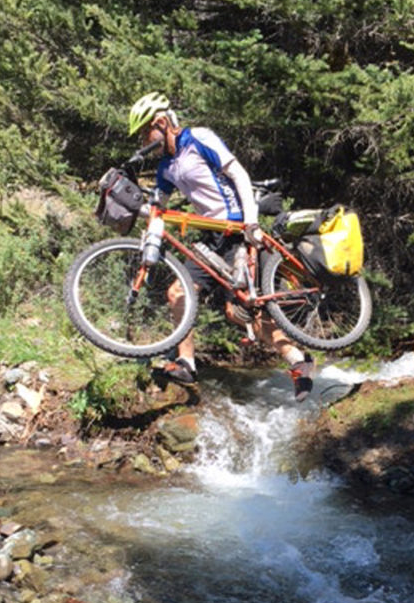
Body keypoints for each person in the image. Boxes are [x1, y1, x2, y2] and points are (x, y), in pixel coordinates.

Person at [128, 91, 315, 401]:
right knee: (177, 293)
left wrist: (251, 223)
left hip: (237, 229)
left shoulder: (198, 138)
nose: (142, 142)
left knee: (243, 312)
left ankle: (298, 361)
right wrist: (129, 201)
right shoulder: (165, 167)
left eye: (144, 133)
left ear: (160, 122)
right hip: (209, 236)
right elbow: (156, 207)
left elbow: (238, 174)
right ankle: (186, 362)